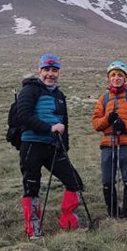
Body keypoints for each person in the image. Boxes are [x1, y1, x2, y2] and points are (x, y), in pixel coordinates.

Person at [17, 53, 83, 239]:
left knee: (74, 182)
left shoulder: (59, 95)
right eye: (46, 69)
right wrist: (49, 128)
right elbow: (23, 115)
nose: (50, 74)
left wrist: (64, 145)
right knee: (32, 187)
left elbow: (64, 122)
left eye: (54, 70)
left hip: (54, 147)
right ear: (40, 70)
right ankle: (33, 229)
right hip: (32, 144)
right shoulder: (30, 89)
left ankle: (68, 223)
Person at [91, 59, 127, 219]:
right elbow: (96, 123)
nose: (116, 78)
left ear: (125, 78)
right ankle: (112, 212)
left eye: (120, 75)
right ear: (109, 78)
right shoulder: (103, 99)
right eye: (113, 75)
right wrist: (107, 120)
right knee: (107, 180)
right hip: (108, 142)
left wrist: (125, 125)